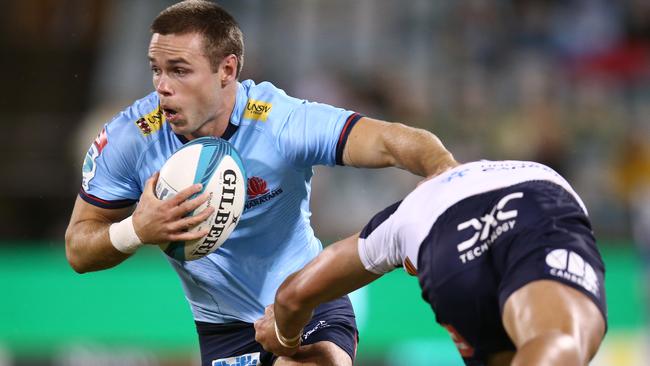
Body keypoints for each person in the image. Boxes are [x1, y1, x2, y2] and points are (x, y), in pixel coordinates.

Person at [64, 1, 457, 365]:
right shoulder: (131, 138)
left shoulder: (279, 122)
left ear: (227, 71)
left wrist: (446, 175)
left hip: (307, 301)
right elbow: (78, 250)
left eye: (180, 70)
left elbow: (391, 141)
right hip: (223, 330)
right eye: (156, 69)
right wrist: (137, 229)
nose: (162, 86)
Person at [254, 160, 607, 366]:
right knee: (557, 337)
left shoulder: (405, 212)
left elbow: (292, 296)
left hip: (446, 252)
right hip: (533, 207)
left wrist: (283, 335)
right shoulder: (514, 172)